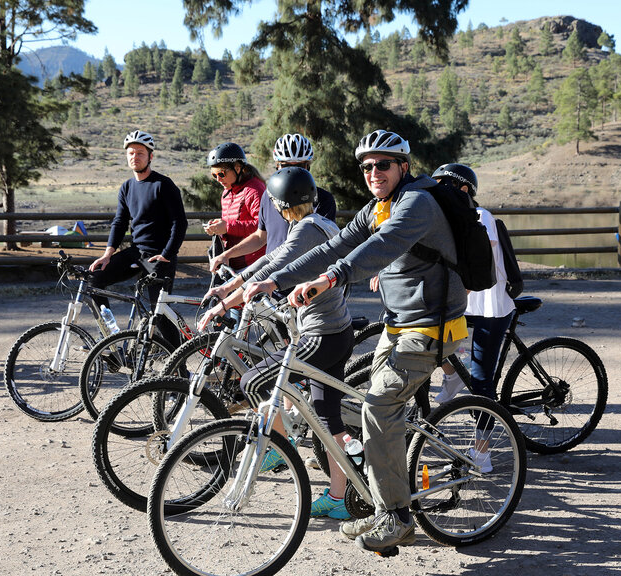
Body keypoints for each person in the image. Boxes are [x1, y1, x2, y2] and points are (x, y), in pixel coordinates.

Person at [256, 130, 468, 554]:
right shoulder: (377, 207)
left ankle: (397, 518)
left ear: (403, 167)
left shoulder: (417, 203)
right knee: (364, 407)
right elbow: (336, 245)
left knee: (378, 406)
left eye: (383, 164)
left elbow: (380, 247)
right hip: (399, 324)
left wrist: (329, 278)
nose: (374, 172)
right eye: (367, 166)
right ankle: (384, 502)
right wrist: (274, 280)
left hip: (433, 326)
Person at [198, 166, 354, 520]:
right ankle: (340, 497)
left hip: (322, 334)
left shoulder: (308, 231)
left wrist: (224, 304)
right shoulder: (318, 225)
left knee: (252, 380)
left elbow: (275, 267)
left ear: (281, 205)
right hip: (334, 331)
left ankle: (281, 445)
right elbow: (271, 258)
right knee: (330, 420)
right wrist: (230, 284)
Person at [432, 163, 515, 473]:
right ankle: (452, 373)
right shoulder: (445, 219)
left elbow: (480, 264)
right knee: (430, 340)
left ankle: (483, 453)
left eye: (445, 185)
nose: (439, 191)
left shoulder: (482, 218)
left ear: (464, 189)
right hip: (464, 307)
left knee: (481, 382)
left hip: (491, 308)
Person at [208, 133, 336, 272]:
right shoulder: (268, 197)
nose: (292, 171)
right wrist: (226, 255)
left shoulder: (323, 199)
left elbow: (317, 245)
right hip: (271, 278)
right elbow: (260, 237)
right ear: (277, 166)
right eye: (286, 166)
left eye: (299, 166)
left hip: (305, 278)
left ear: (308, 167)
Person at [88, 131, 187, 309]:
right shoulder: (126, 187)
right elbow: (120, 222)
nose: (135, 157)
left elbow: (179, 223)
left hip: (159, 256)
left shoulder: (163, 185)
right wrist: (107, 254)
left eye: (140, 153)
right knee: (94, 279)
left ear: (151, 156)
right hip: (136, 252)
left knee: (159, 314)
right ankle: (111, 332)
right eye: (131, 153)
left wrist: (167, 255)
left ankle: (172, 338)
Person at [203, 142, 264, 271]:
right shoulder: (226, 193)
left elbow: (262, 227)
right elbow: (230, 226)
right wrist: (217, 228)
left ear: (237, 168)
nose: (218, 179)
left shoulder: (254, 190)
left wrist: (227, 227)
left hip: (253, 264)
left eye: (221, 174)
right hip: (231, 263)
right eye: (214, 175)